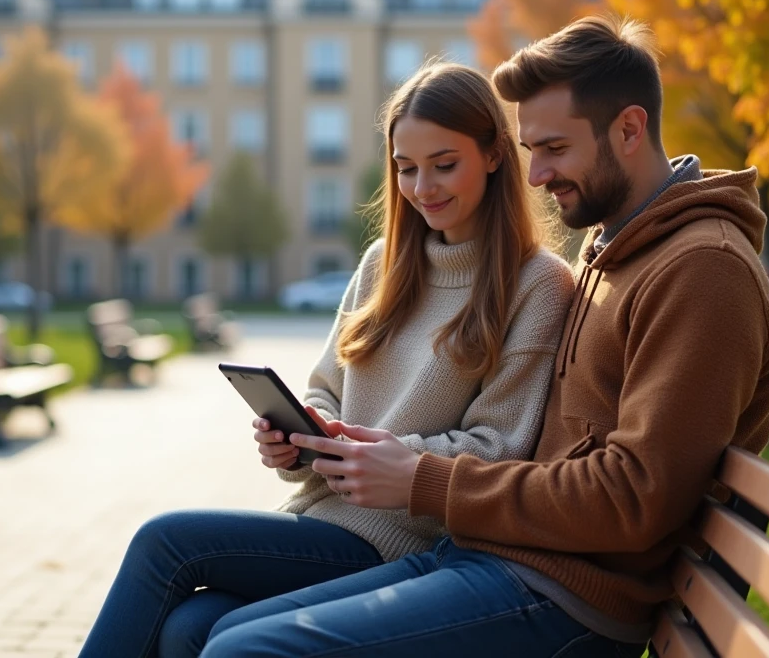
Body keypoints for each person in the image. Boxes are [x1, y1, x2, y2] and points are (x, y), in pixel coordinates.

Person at [199, 15, 769, 657]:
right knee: (212, 632)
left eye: (555, 149)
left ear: (629, 129)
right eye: (533, 152)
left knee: (239, 650)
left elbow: (635, 498)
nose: (536, 177)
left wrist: (425, 479)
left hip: (569, 598)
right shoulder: (617, 250)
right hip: (496, 558)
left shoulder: (703, 270)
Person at [78, 64, 576, 657]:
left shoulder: (537, 284)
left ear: (495, 155)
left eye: (445, 164)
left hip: (404, 542)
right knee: (191, 625)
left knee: (164, 542)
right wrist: (296, 436)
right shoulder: (382, 265)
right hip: (319, 517)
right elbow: (324, 391)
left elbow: (501, 446)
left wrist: (391, 462)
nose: (423, 188)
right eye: (406, 168)